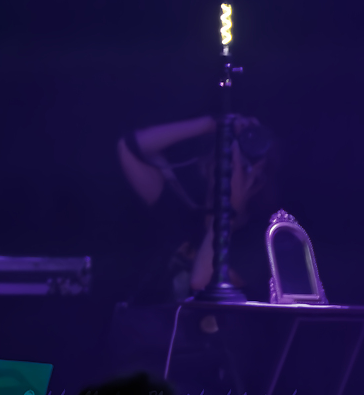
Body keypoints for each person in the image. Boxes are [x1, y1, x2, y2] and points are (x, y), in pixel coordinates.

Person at [116, 114, 277, 303]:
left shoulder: (259, 242)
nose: (223, 169)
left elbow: (202, 282)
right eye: (221, 158)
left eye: (236, 165)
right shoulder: (184, 217)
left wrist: (228, 213)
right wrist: (213, 125)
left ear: (255, 181)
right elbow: (130, 147)